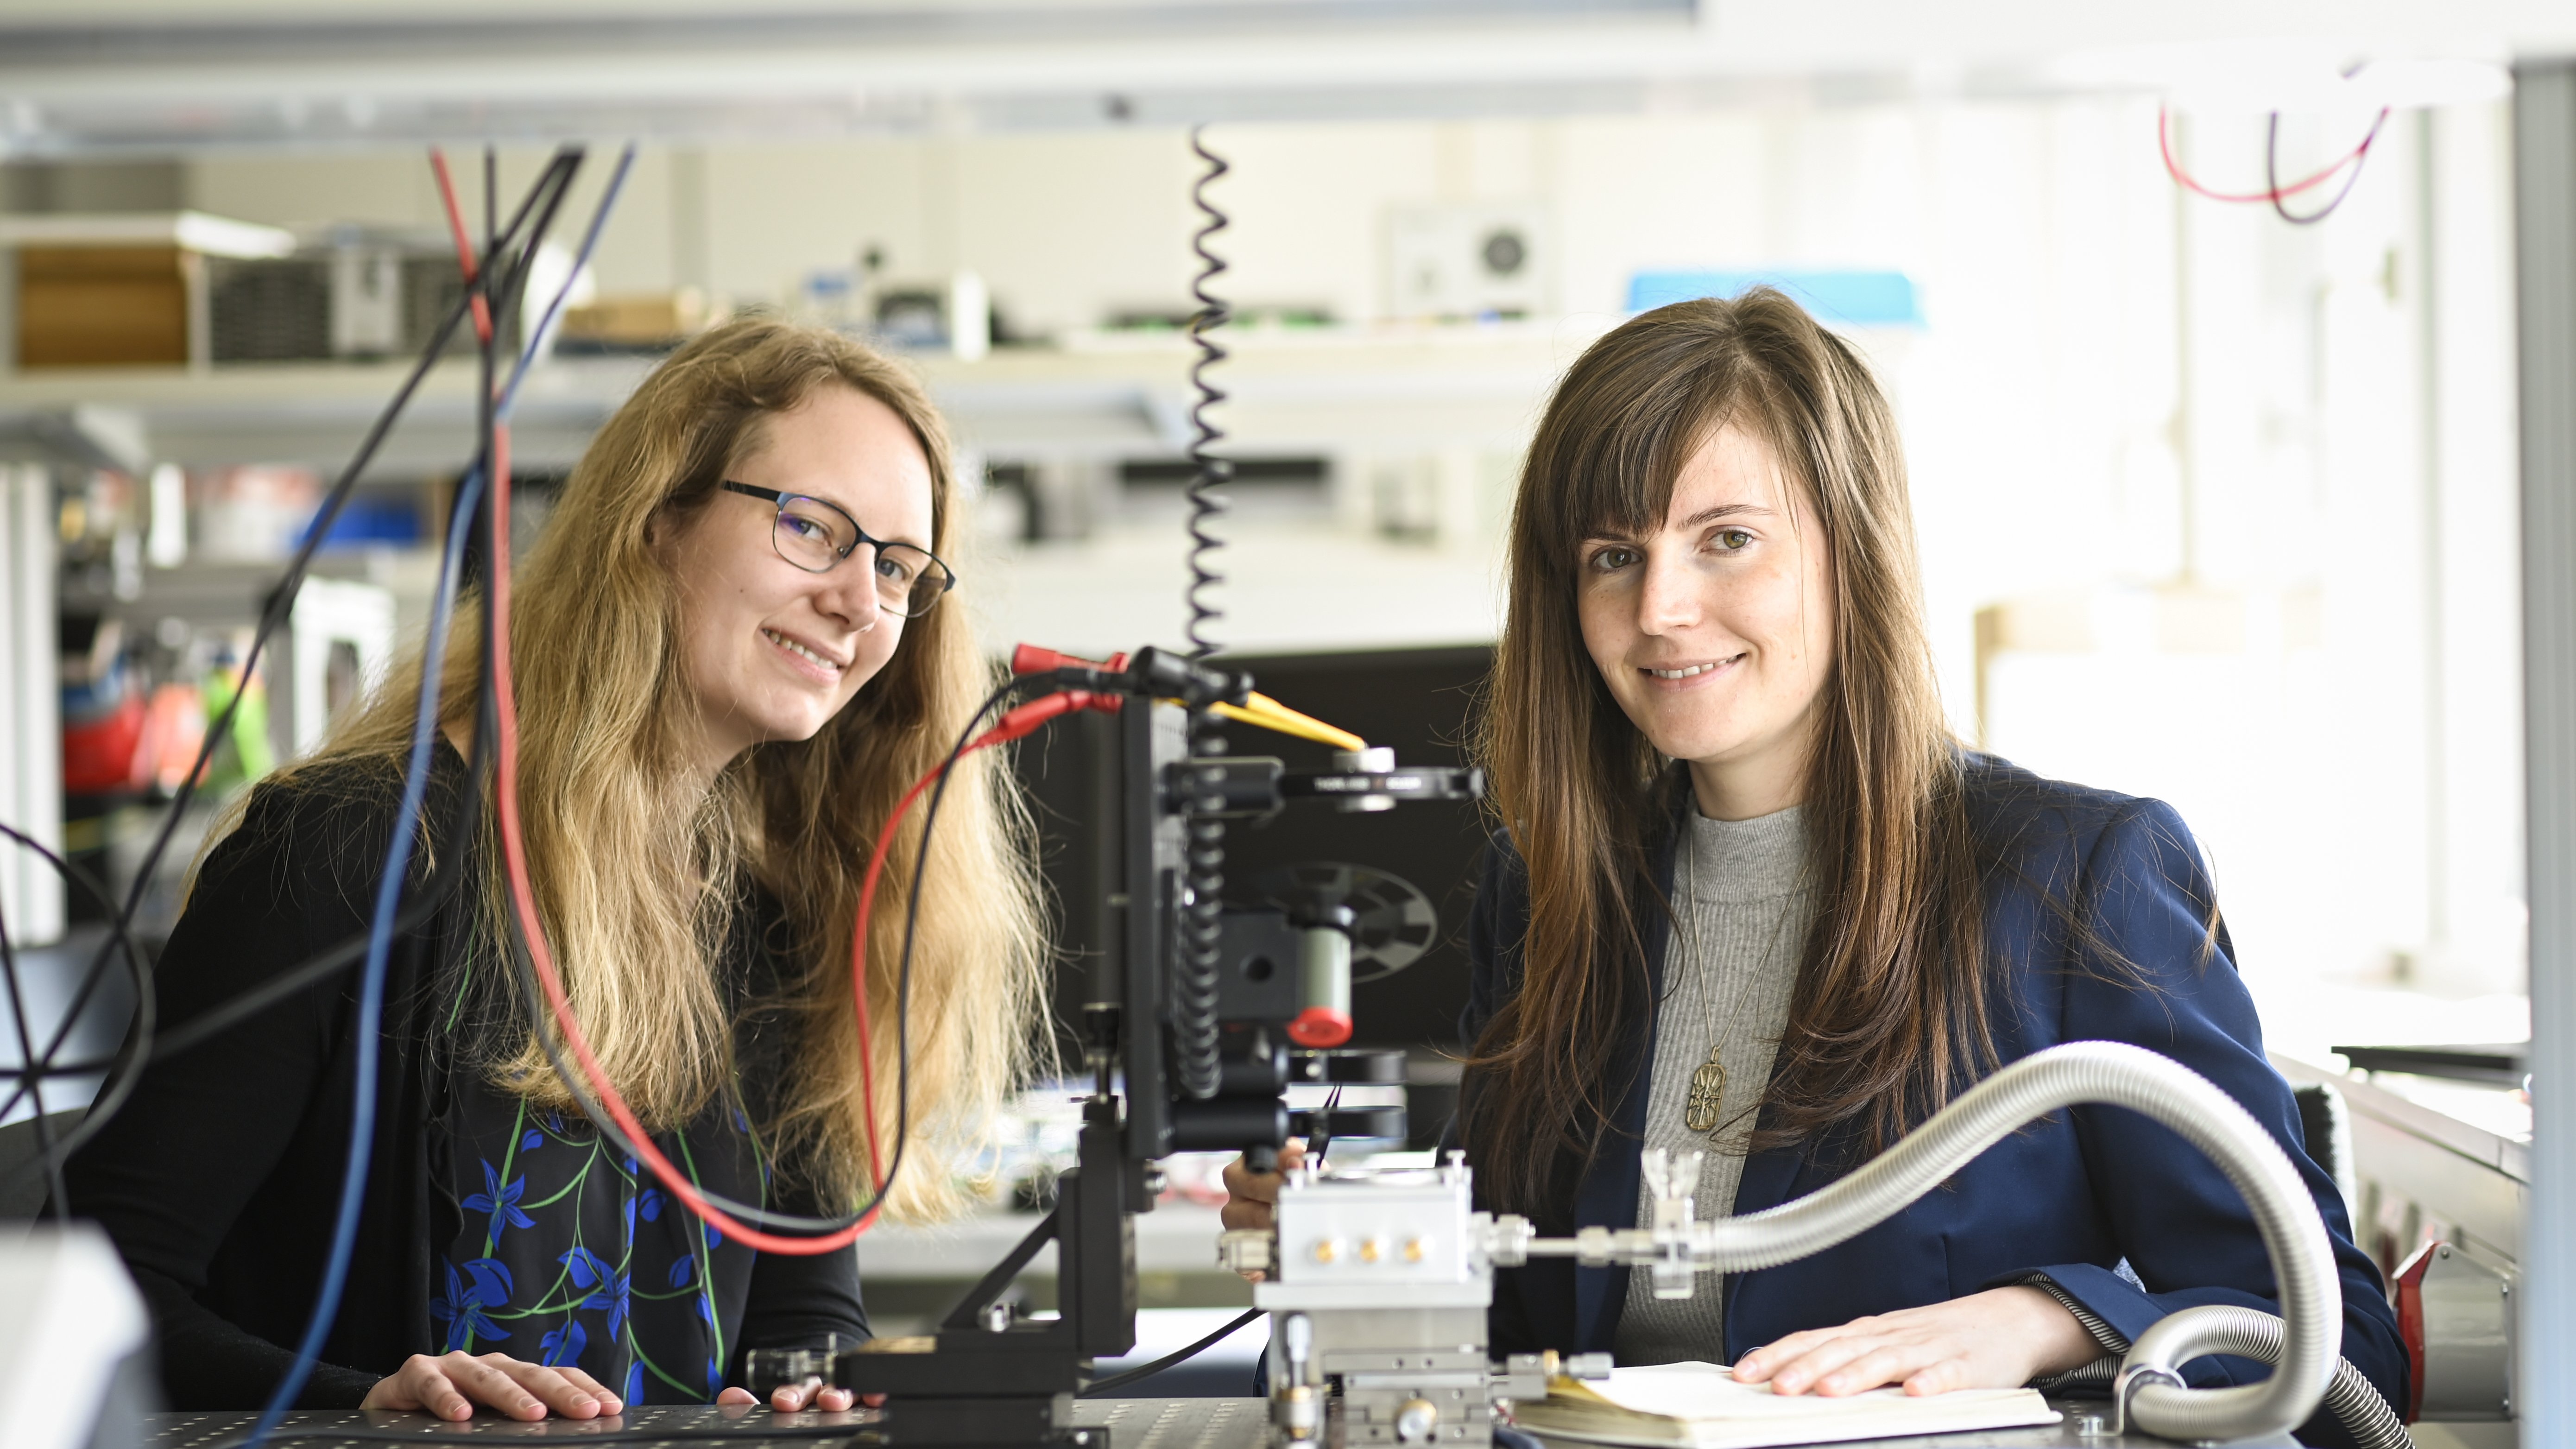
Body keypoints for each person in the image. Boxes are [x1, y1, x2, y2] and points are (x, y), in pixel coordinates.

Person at [1224, 291, 2405, 1443]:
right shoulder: (1545, 893)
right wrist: (1354, 1253)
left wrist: (2054, 1318)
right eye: (1610, 555)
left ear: (1851, 551)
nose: (1660, 609)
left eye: (1726, 540)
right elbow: (1517, 1314)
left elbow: (2340, 1352)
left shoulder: (2073, 877)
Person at [67, 318, 1048, 1419]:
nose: (862, 602)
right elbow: (100, 1297)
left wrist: (802, 1391)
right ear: (657, 519)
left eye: (899, 568)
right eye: (814, 528)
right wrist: (369, 1401)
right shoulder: (344, 857)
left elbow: (799, 1310)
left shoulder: (784, 915)